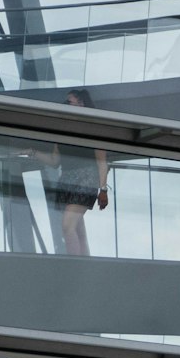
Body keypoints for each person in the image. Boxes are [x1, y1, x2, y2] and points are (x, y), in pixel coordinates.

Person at [39, 90, 108, 256]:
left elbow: (101, 161)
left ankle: (74, 264)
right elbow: (55, 161)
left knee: (67, 226)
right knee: (77, 228)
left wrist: (103, 190)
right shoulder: (62, 130)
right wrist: (33, 153)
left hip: (85, 178)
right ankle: (84, 262)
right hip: (67, 179)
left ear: (81, 103)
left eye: (69, 102)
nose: (66, 105)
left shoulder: (93, 128)